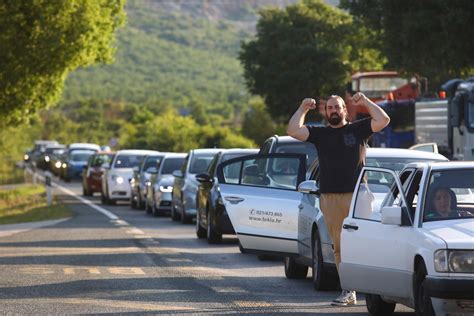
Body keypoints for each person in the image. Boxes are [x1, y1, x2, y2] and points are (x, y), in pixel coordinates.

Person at [287, 92, 390, 306]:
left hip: (358, 195)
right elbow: (293, 130)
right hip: (330, 197)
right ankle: (348, 290)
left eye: (337, 107)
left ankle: (375, 291)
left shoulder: (358, 129)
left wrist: (365, 102)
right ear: (326, 112)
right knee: (340, 245)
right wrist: (303, 109)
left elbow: (383, 120)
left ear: (345, 110)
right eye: (330, 108)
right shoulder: (320, 134)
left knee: (365, 243)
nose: (334, 110)